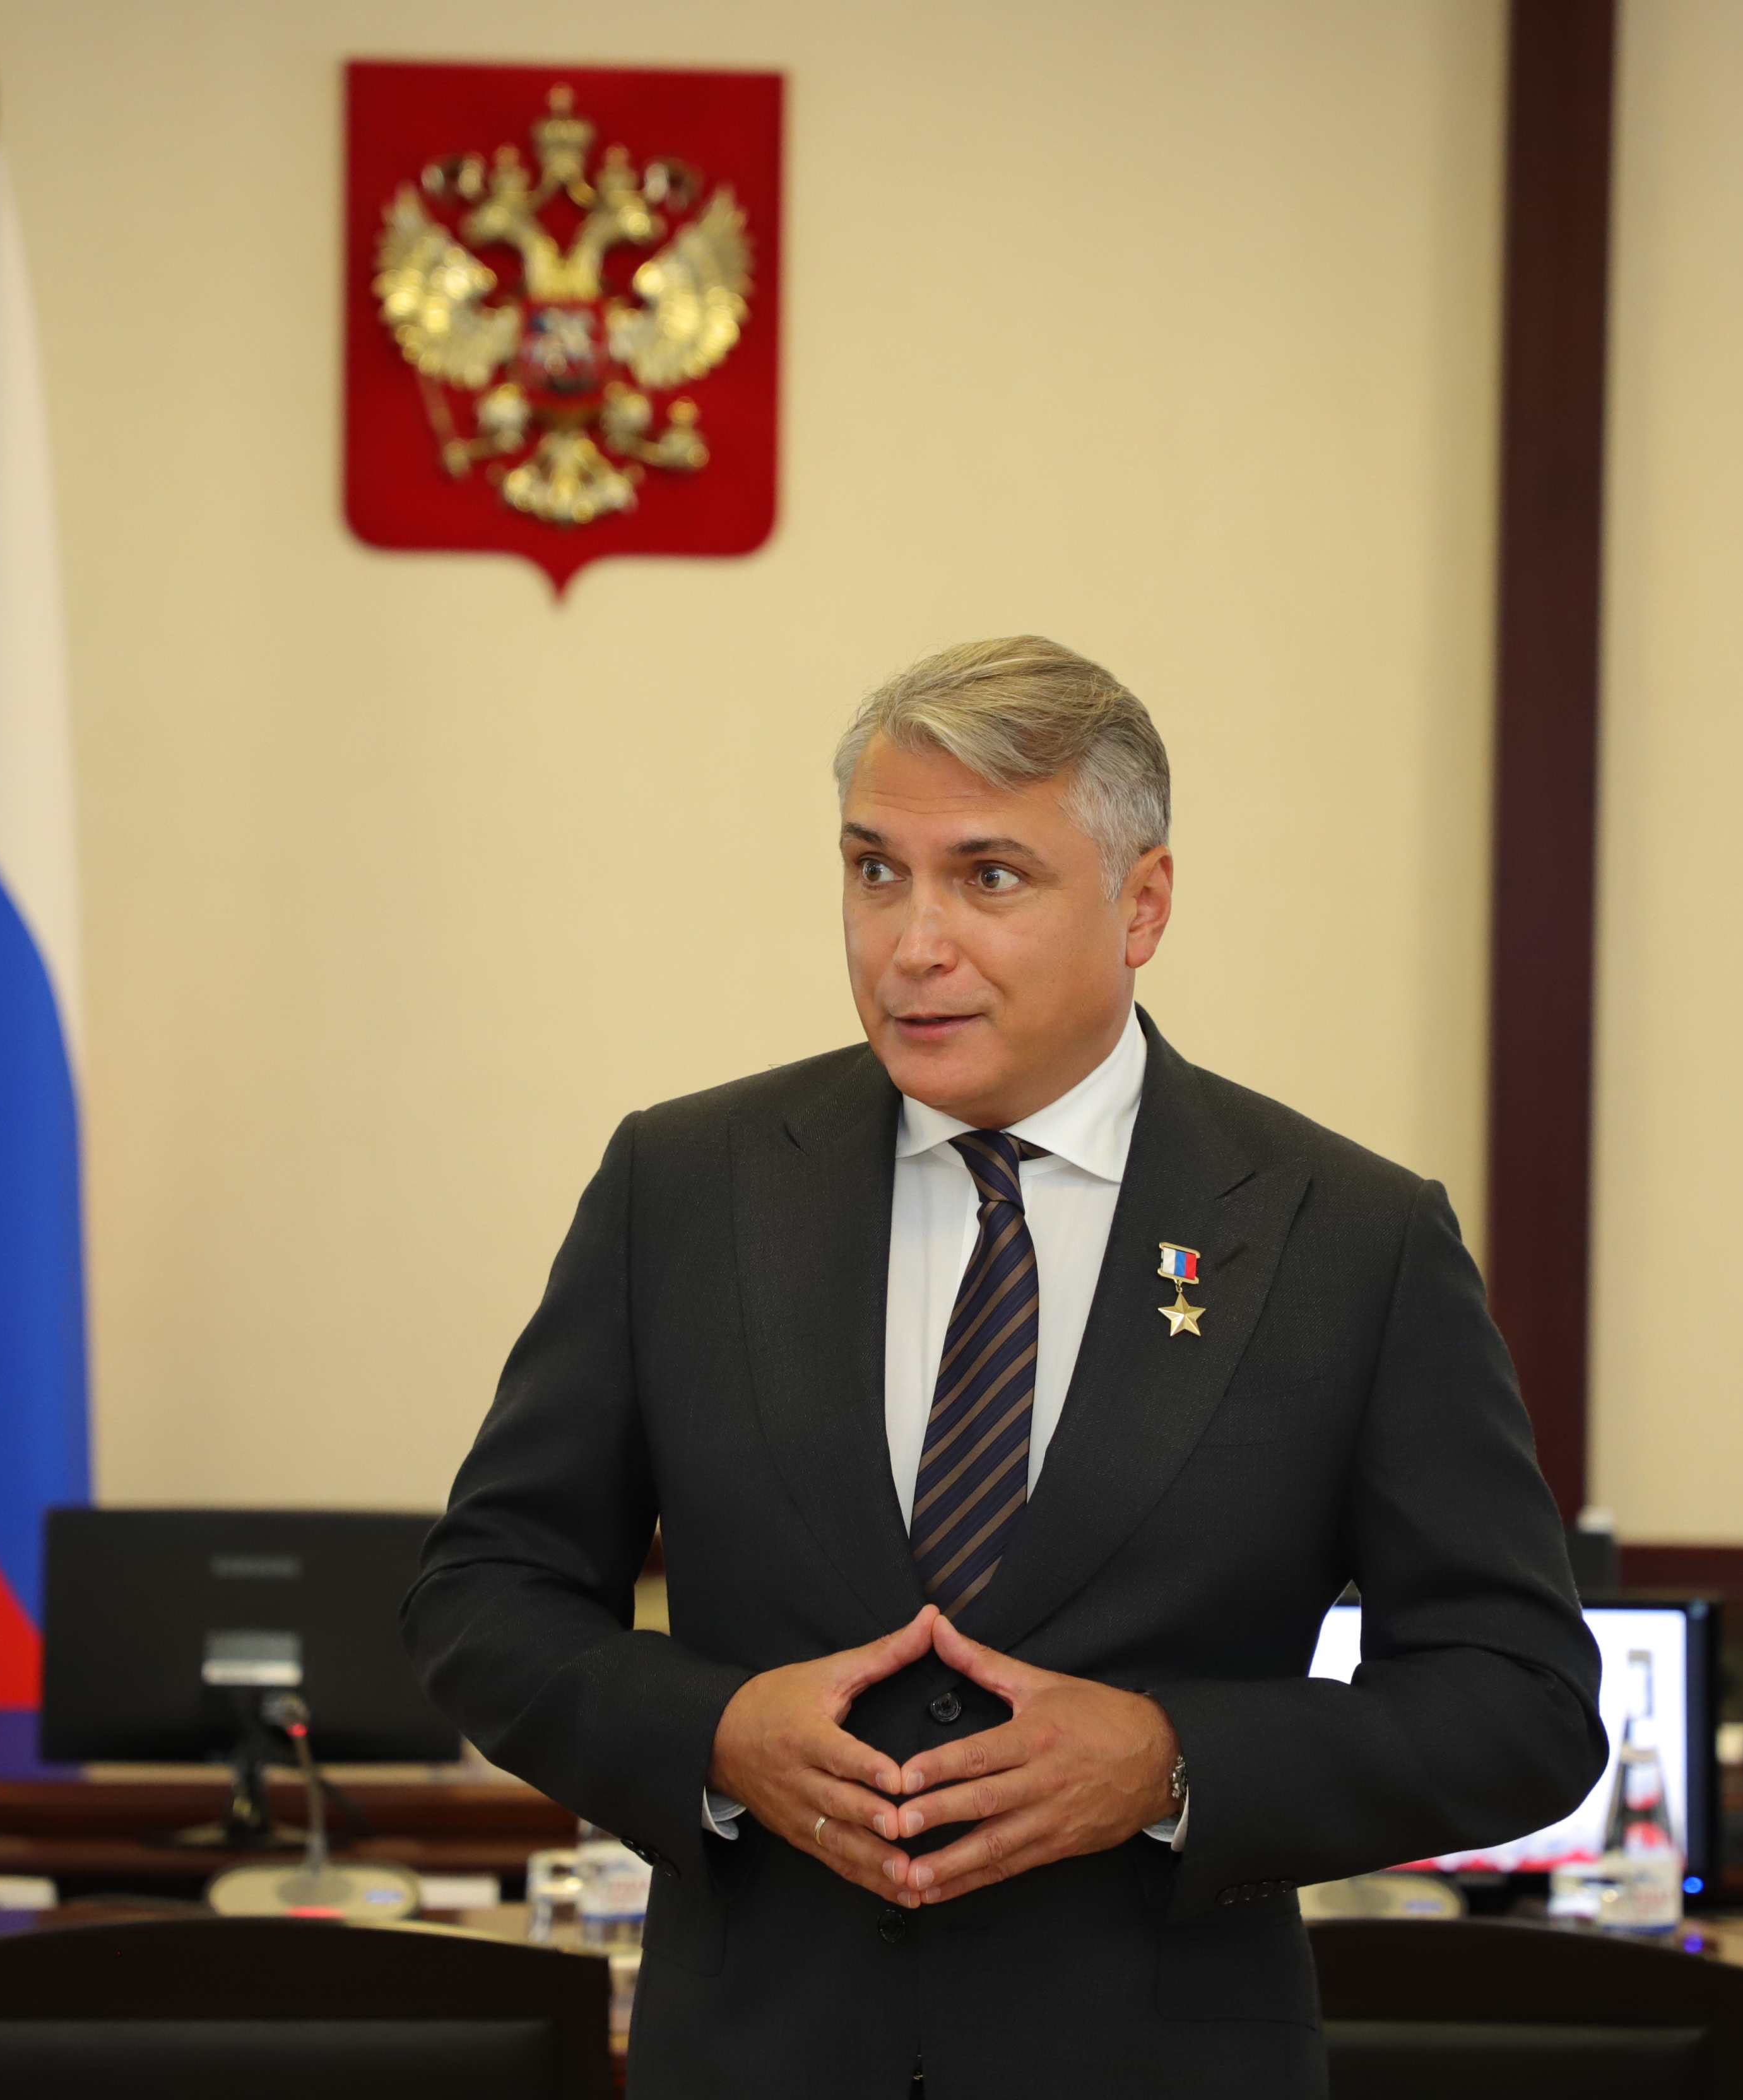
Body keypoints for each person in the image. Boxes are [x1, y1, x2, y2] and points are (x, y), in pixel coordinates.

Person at [405, 637, 1604, 2099]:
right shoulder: (687, 1185)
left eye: (988, 876)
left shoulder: (1346, 1235)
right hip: (761, 2057)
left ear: (1142, 903)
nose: (913, 943)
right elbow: (486, 1593)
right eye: (875, 870)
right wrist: (709, 1733)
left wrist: (1172, 1761)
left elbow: (1520, 1699)